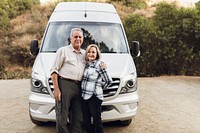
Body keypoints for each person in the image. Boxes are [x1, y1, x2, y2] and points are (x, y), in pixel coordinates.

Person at [50, 28, 85, 133]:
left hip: (79, 87)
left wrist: (102, 65)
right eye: (75, 37)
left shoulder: (84, 53)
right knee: (62, 116)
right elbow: (54, 71)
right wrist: (56, 89)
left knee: (78, 117)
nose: (78, 39)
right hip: (65, 85)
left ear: (83, 39)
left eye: (80, 37)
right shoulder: (63, 51)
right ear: (71, 38)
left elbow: (94, 62)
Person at [81, 44, 112, 133]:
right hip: (84, 97)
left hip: (94, 97)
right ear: (86, 54)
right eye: (89, 52)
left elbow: (108, 81)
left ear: (97, 54)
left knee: (97, 121)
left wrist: (98, 87)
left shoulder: (99, 65)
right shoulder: (86, 65)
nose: (91, 54)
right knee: (86, 121)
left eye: (93, 52)